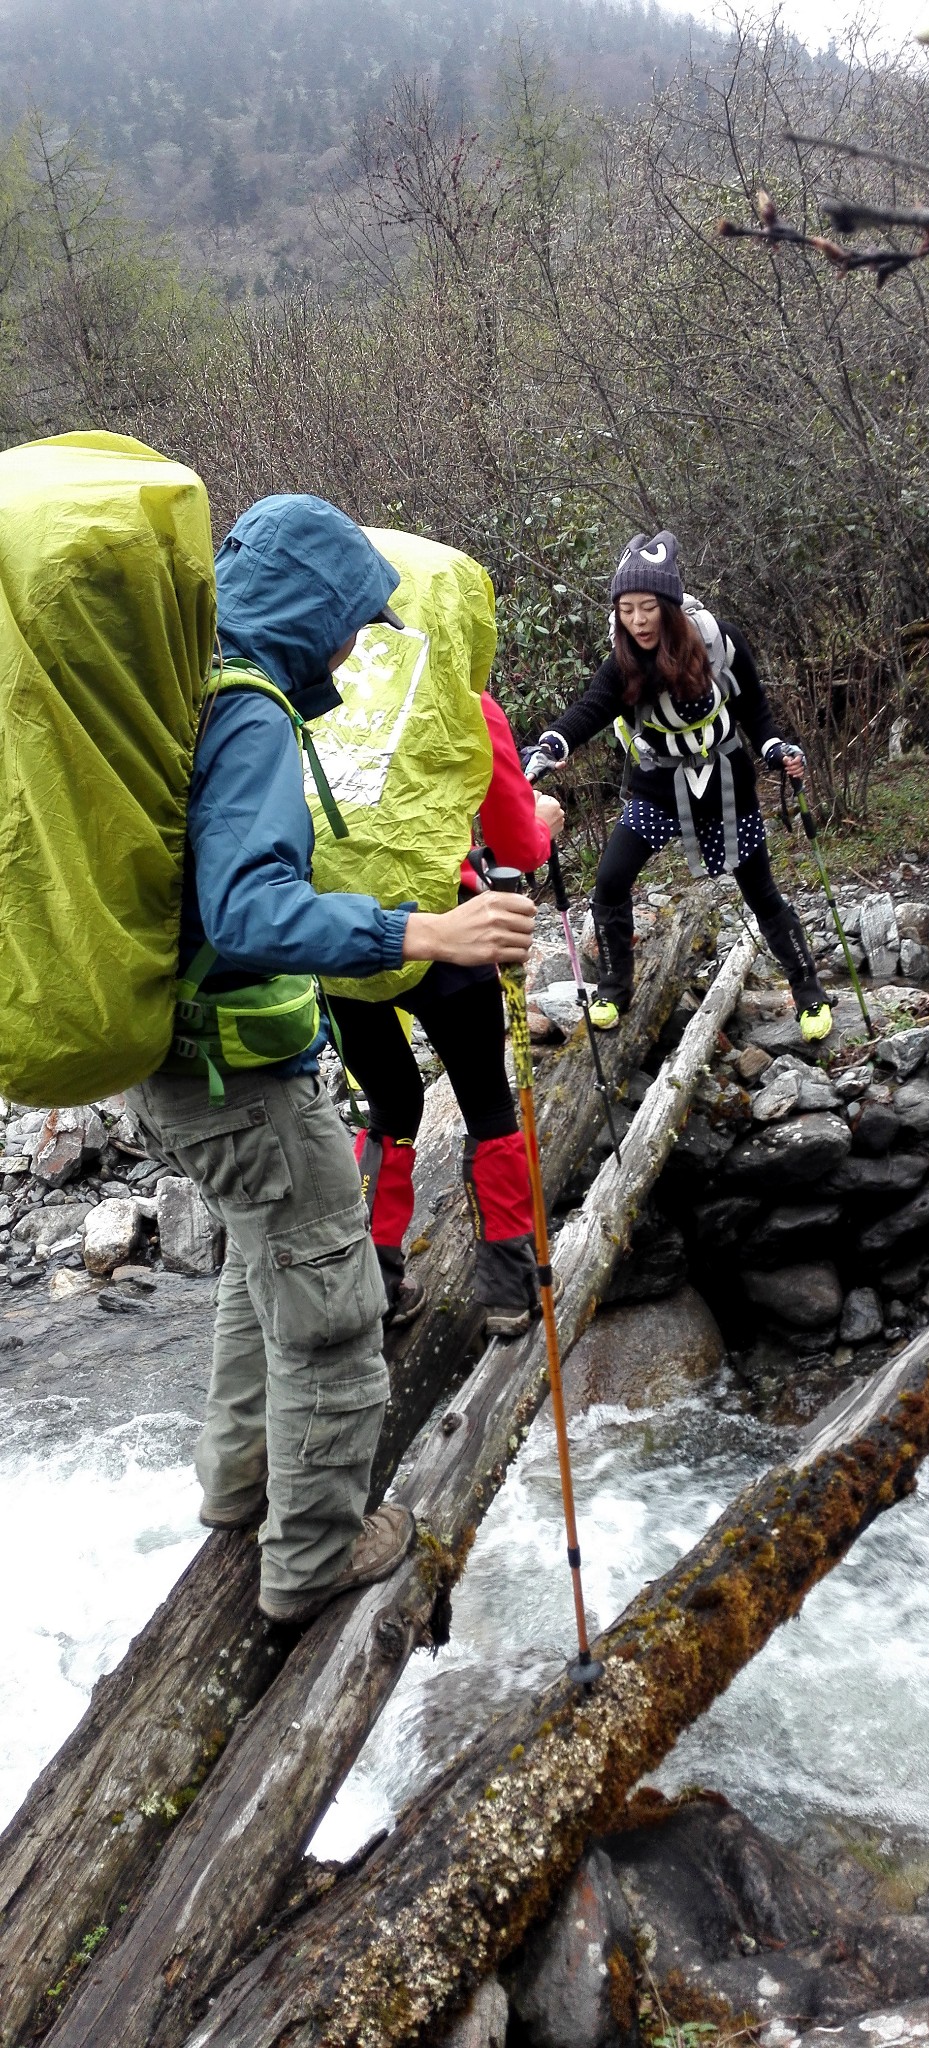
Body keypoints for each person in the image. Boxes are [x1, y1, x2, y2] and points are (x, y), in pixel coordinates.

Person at [128, 495, 535, 1625]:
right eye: (351, 620)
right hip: (239, 1070)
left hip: (170, 1056)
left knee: (264, 1268)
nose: (357, 647)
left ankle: (237, 1485)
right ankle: (312, 1550)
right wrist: (425, 930)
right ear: (308, 612)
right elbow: (252, 907)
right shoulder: (253, 715)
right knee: (333, 1305)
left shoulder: (191, 686)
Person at [524, 531, 831, 1040]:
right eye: (626, 609)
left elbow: (755, 710)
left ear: (669, 605)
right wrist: (552, 745)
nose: (638, 621)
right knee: (610, 880)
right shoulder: (623, 662)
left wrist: (777, 750)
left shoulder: (719, 641)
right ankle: (614, 991)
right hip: (658, 785)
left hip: (727, 786)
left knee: (761, 891)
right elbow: (590, 709)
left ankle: (809, 993)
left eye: (648, 607)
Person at [330, 687, 564, 1339]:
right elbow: (520, 843)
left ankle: (375, 1283)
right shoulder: (462, 697)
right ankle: (509, 1293)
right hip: (449, 927)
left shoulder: (322, 690)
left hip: (340, 936)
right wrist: (545, 820)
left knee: (392, 1111)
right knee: (488, 1107)